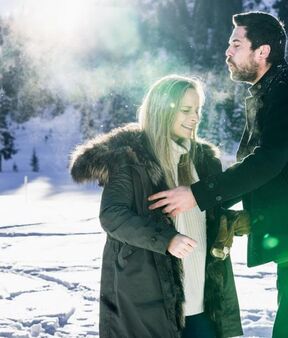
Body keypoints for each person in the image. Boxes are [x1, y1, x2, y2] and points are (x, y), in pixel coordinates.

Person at [148, 12, 288, 338]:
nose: (228, 52)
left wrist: (197, 194)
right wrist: (236, 210)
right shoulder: (271, 91)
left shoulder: (287, 92)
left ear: (262, 51)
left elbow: (267, 162)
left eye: (236, 44)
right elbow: (271, 170)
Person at [70, 75, 243, 338]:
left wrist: (236, 221)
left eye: (197, 110)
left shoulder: (205, 161)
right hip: (152, 298)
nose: (195, 117)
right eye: (186, 110)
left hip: (205, 300)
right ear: (162, 109)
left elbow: (204, 216)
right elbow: (112, 216)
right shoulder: (130, 157)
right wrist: (166, 239)